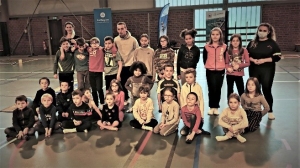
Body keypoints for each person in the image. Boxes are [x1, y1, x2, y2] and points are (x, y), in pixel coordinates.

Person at [246, 23, 282, 120]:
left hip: (267, 69)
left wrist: (264, 60)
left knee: (266, 89)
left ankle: (269, 110)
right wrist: (253, 60)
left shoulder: (272, 43)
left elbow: (277, 57)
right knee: (254, 90)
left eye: (264, 31)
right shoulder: (252, 43)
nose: (262, 32)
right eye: (260, 30)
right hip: (254, 69)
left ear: (269, 32)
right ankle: (254, 110)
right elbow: (246, 55)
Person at [203, 27, 227, 116]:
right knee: (211, 88)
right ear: (210, 36)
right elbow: (204, 58)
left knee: (218, 89)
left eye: (217, 34)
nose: (215, 36)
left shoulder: (224, 47)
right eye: (213, 34)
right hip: (210, 70)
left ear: (220, 35)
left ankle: (216, 107)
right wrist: (209, 66)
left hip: (220, 70)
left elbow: (226, 58)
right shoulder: (206, 46)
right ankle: (211, 107)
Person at [114, 22, 139, 105]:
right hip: (121, 66)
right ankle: (126, 99)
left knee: (133, 84)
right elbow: (114, 51)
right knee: (123, 84)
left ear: (126, 28)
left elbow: (137, 51)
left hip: (131, 65)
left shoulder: (133, 40)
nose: (120, 31)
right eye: (118, 29)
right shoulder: (116, 40)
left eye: (122, 28)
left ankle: (135, 100)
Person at [179, 69, 210, 135]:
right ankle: (197, 130)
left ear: (194, 77)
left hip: (197, 116)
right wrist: (183, 113)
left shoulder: (198, 87)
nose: (188, 79)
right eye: (186, 77)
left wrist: (202, 116)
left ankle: (192, 132)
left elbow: (201, 101)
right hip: (187, 117)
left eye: (190, 77)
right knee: (182, 133)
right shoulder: (184, 87)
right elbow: (182, 101)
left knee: (193, 117)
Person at [87, 37, 107, 108]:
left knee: (99, 88)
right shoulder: (89, 50)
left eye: (96, 43)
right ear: (90, 44)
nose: (95, 45)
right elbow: (82, 45)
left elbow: (109, 48)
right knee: (94, 89)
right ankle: (95, 103)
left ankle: (102, 102)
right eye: (93, 43)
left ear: (99, 44)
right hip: (91, 72)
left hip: (99, 72)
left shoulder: (101, 50)